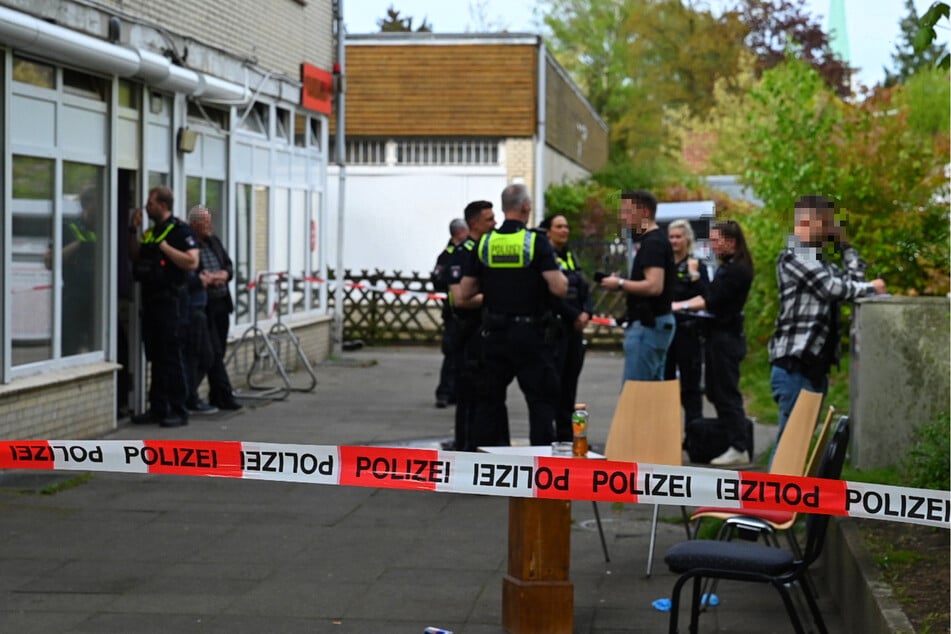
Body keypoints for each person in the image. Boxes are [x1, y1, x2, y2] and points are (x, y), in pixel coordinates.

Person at [455, 183, 568, 447]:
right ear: (526, 207)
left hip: (494, 334)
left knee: (489, 401)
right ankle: (541, 465)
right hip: (530, 335)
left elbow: (464, 294)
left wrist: (495, 292)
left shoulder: (485, 243)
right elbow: (559, 287)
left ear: (504, 208)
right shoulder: (534, 242)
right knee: (540, 401)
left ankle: (489, 466)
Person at [768, 195, 886, 441]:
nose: (831, 229)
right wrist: (872, 288)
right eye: (827, 223)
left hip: (813, 370)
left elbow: (852, 284)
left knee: (798, 450)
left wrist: (846, 247)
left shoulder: (821, 262)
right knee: (791, 450)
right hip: (794, 368)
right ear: (809, 223)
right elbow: (830, 288)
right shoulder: (792, 256)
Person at [674, 220, 754, 465]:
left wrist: (681, 305)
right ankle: (731, 441)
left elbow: (712, 299)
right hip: (716, 337)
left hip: (725, 339)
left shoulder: (736, 270)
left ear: (731, 242)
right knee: (715, 390)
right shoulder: (727, 266)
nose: (713, 245)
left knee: (725, 392)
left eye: (717, 240)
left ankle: (739, 446)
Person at [129, 185, 200, 427]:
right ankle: (158, 408)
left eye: (150, 203)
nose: (147, 207)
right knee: (156, 357)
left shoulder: (180, 231)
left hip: (172, 303)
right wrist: (133, 230)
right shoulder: (150, 232)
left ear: (163, 205)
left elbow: (192, 262)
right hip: (151, 303)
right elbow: (137, 256)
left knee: (172, 357)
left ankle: (179, 410)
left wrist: (166, 249)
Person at [600, 189, 676, 382]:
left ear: (644, 213)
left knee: (635, 392)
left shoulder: (653, 244)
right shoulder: (654, 242)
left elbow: (653, 286)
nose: (623, 217)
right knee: (651, 392)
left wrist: (620, 283)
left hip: (647, 326)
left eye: (627, 211)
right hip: (654, 324)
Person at [446, 200, 499, 450]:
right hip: (466, 332)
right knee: (468, 395)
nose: (495, 223)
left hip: (485, 333)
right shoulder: (464, 252)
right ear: (475, 223)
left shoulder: (485, 249)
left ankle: (481, 444)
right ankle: (465, 447)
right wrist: (497, 296)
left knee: (486, 395)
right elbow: (460, 298)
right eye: (489, 219)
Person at [538, 213, 593, 442]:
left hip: (574, 331)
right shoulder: (546, 255)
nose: (565, 230)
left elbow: (583, 287)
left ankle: (565, 436)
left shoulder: (570, 256)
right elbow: (549, 293)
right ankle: (550, 436)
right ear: (548, 231)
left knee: (570, 387)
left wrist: (587, 312)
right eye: (559, 226)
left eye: (567, 226)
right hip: (556, 329)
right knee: (553, 387)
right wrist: (574, 315)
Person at [189, 206, 243, 411]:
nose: (209, 227)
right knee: (211, 350)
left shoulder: (214, 242)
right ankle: (222, 395)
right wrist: (208, 278)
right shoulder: (192, 246)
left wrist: (223, 275)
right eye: (205, 223)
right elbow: (195, 271)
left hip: (222, 303)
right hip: (205, 305)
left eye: (210, 222)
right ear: (195, 225)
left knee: (217, 352)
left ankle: (216, 394)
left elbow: (228, 266)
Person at [46, 187, 102, 356]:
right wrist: (78, 245)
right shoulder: (68, 227)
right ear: (85, 205)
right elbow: (49, 261)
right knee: (69, 347)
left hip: (99, 300)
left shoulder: (107, 227)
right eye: (97, 204)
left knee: (98, 347)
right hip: (74, 296)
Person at [664, 219, 710, 423]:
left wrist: (694, 275)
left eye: (678, 237)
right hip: (665, 331)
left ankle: (694, 433)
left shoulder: (696, 265)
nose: (674, 241)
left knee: (691, 387)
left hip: (688, 331)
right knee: (664, 384)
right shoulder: (663, 265)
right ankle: (666, 433)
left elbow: (707, 297)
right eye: (671, 237)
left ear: (687, 239)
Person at [431, 217, 470, 408]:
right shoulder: (447, 256)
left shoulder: (468, 251)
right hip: (453, 312)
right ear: (459, 233)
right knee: (451, 352)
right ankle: (444, 392)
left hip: (467, 311)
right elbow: (437, 280)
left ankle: (457, 391)